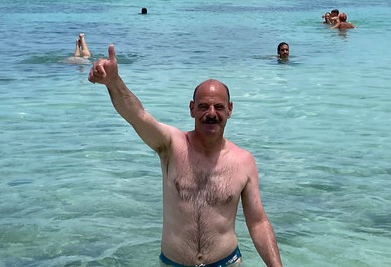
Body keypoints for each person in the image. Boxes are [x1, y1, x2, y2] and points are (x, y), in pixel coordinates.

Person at [88, 45, 283, 267]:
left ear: (230, 109)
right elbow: (138, 116)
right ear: (192, 109)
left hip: (227, 263)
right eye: (203, 107)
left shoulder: (244, 161)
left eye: (219, 107)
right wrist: (114, 82)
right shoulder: (171, 145)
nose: (211, 113)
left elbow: (258, 222)